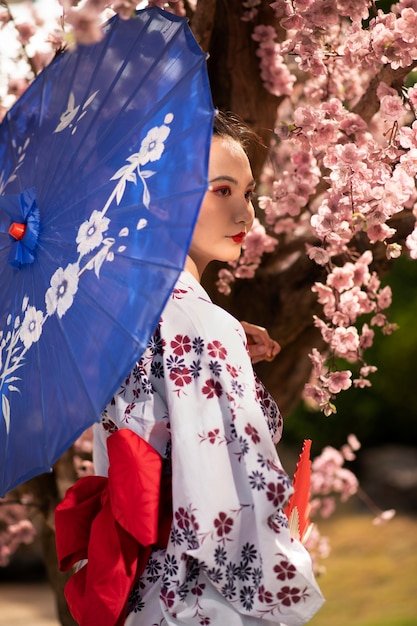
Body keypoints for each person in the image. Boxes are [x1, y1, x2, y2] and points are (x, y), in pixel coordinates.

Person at [56, 111, 324, 626]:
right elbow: (228, 501)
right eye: (221, 191)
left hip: (141, 592)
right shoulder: (199, 324)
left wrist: (220, 335)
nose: (246, 215)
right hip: (204, 596)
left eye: (248, 194)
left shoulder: (124, 312)